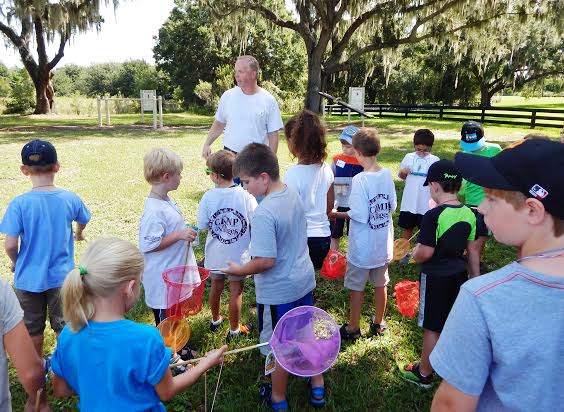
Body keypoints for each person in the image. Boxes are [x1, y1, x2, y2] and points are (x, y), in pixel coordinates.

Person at [429, 139, 564, 411]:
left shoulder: (483, 298)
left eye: (491, 198)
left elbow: (451, 405)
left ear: (532, 210)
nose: (481, 208)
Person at [50, 238, 227, 410]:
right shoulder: (146, 338)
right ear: (129, 288)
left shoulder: (68, 333)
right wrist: (205, 363)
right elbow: (167, 391)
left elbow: (61, 389)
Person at [222, 143, 324, 410]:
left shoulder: (264, 212)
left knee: (280, 344)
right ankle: (317, 387)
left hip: (280, 292)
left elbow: (266, 261)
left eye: (245, 182)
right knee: (304, 333)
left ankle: (278, 397)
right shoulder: (291, 193)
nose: (244, 188)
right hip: (303, 281)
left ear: (263, 178)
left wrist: (238, 270)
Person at [0, 139, 91, 357]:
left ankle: (37, 381)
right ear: (57, 166)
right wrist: (78, 233)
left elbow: (11, 244)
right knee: (65, 326)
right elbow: (83, 218)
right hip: (63, 279)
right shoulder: (70, 198)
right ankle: (65, 375)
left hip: (28, 280)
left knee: (32, 329)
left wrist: (16, 261)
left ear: (24, 170)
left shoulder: (19, 204)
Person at [400, 160, 479, 388]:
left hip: (435, 278)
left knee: (432, 326)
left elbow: (425, 252)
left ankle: (424, 373)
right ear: (460, 185)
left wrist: (414, 253)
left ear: (434, 186)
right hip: (458, 276)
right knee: (450, 322)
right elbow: (472, 251)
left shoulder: (434, 215)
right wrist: (473, 280)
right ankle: (446, 365)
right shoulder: (469, 213)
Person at [331, 128, 397, 340]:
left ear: (358, 152)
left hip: (363, 249)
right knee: (381, 284)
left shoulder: (360, 179)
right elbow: (392, 206)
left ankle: (352, 327)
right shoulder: (386, 174)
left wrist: (334, 214)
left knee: (356, 288)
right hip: (382, 245)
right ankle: (379, 322)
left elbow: (358, 214)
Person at [197, 149, 257, 340]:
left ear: (215, 176)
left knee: (216, 286)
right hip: (238, 255)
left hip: (216, 254)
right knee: (236, 291)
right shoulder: (245, 195)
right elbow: (256, 219)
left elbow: (203, 224)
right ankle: (234, 330)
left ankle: (215, 320)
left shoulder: (208, 197)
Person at [138, 148, 198, 328]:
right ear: (166, 176)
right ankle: (168, 353)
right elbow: (149, 244)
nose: (181, 177)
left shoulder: (166, 200)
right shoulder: (154, 211)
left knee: (175, 312)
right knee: (166, 318)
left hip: (172, 271)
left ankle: (178, 348)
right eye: (178, 174)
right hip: (161, 277)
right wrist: (179, 235)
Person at [201, 55, 283, 159]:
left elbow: (273, 135)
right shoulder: (228, 96)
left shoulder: (268, 100)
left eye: (240, 72)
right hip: (230, 157)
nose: (236, 75)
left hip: (256, 159)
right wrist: (207, 144)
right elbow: (219, 123)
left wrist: (271, 161)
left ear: (253, 74)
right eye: (235, 72)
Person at [283, 110, 334, 269]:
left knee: (296, 282)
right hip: (323, 239)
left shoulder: (292, 174)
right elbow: (329, 205)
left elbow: (289, 212)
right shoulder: (327, 169)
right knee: (309, 279)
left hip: (300, 239)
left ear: (293, 142)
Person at [458, 121, 501, 271]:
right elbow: (462, 184)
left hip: (489, 204)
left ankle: (473, 265)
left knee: (480, 238)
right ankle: (471, 263)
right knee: (472, 238)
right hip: (470, 205)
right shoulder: (464, 155)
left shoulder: (495, 150)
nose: (473, 150)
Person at [1, 279, 48, 412]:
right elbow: (31, 373)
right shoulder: (1, 291)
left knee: (34, 330)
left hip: (29, 277)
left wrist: (15, 261)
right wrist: (39, 403)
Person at [398, 129, 440, 242]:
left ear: (431, 147)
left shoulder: (435, 160)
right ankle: (404, 253)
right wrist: (403, 172)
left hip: (426, 204)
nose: (421, 153)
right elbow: (401, 176)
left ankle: (422, 253)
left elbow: (438, 183)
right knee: (407, 229)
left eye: (425, 150)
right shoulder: (408, 157)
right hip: (409, 203)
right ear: (414, 145)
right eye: (418, 150)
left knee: (425, 231)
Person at [329, 125, 363, 251]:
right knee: (334, 232)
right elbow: (330, 177)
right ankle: (333, 255)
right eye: (343, 146)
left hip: (354, 202)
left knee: (353, 233)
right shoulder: (337, 160)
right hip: (337, 202)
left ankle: (353, 256)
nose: (345, 149)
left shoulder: (362, 162)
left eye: (349, 146)